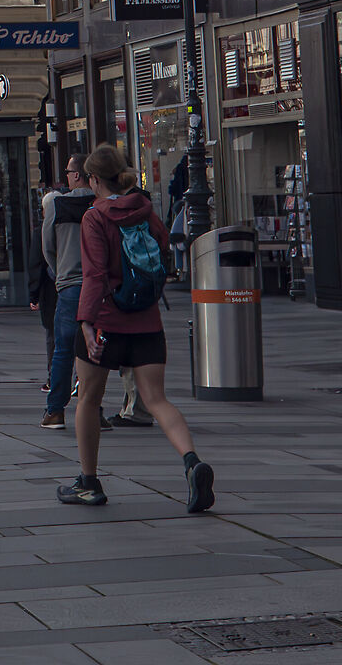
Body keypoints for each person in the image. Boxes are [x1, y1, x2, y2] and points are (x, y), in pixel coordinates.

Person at [59, 144, 213, 513]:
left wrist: (85, 323)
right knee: (157, 400)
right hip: (146, 321)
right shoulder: (146, 211)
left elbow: (94, 276)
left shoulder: (95, 217)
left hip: (107, 322)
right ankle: (192, 462)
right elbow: (162, 256)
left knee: (88, 401)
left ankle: (89, 482)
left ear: (94, 179)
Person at [40, 156, 91, 430]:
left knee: (63, 350)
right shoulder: (101, 204)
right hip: (98, 286)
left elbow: (47, 247)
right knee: (94, 350)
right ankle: (93, 407)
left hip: (70, 283)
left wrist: (60, 270)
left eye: (69, 171)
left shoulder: (58, 205)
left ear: (76, 176)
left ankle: (55, 410)